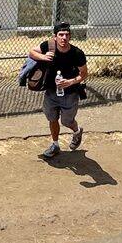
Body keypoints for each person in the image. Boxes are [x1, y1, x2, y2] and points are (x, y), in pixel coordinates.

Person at [28, 23, 87, 159]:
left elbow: (84, 74)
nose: (64, 38)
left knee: (67, 121)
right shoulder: (49, 46)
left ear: (70, 37)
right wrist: (43, 57)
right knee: (52, 119)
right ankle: (55, 145)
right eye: (61, 35)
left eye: (67, 35)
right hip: (51, 92)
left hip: (70, 94)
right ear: (55, 37)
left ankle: (77, 131)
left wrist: (70, 82)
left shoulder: (77, 53)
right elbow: (31, 52)